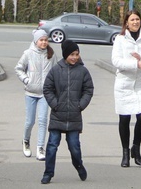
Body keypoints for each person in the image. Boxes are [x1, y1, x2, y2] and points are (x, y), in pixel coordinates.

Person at [41, 40, 94, 185]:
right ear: (65, 55)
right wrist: (55, 104)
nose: (75, 57)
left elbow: (89, 90)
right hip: (58, 115)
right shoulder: (56, 70)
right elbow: (47, 88)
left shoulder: (83, 71)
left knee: (74, 147)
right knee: (52, 146)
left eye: (77, 54)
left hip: (74, 117)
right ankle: (48, 173)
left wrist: (80, 105)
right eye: (72, 54)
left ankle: (79, 166)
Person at [110, 10, 141, 167]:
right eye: (132, 20)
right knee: (124, 118)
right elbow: (116, 61)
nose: (135, 22)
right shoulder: (120, 39)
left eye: (137, 19)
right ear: (126, 23)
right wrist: (135, 64)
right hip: (124, 84)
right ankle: (125, 152)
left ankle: (136, 148)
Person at [15, 29, 58, 161]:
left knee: (43, 120)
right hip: (31, 92)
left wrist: (53, 87)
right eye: (41, 40)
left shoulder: (51, 55)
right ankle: (26, 141)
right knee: (30, 121)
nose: (44, 42)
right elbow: (19, 68)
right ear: (36, 41)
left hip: (45, 94)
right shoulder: (28, 54)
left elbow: (55, 71)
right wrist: (27, 80)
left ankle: (40, 147)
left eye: (46, 40)